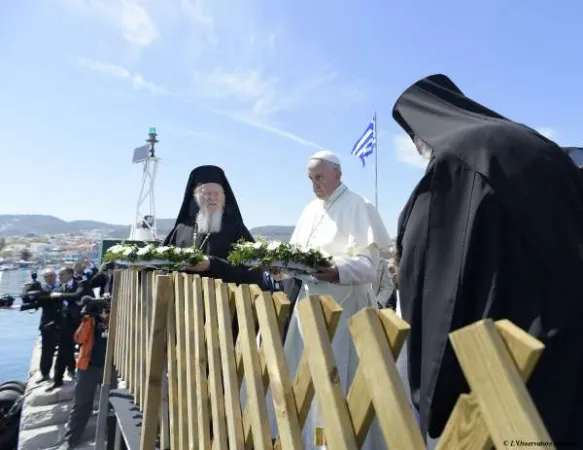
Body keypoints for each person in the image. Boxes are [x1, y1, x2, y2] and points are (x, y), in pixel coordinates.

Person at [392, 74, 583, 445]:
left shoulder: (457, 160)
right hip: (567, 346)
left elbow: (434, 277)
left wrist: (431, 396)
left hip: (504, 366)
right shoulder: (534, 144)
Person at [267, 150, 390, 449]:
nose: (314, 184)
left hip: (346, 310)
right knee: (305, 381)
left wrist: (334, 271)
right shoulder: (309, 210)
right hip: (308, 309)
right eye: (310, 179)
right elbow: (296, 260)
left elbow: (368, 267)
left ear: (338, 174)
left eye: (319, 177)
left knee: (343, 388)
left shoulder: (359, 206)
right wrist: (280, 269)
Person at [163, 165, 265, 287]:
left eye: (217, 193)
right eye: (206, 193)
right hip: (183, 300)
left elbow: (253, 270)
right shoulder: (182, 228)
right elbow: (158, 261)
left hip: (225, 301)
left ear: (224, 197)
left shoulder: (235, 227)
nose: (212, 198)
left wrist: (212, 264)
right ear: (195, 197)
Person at [57, 297, 113, 450]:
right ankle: (71, 440)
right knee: (81, 405)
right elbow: (79, 338)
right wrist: (88, 317)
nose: (104, 310)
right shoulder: (91, 320)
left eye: (107, 306)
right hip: (88, 367)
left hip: (109, 368)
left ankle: (112, 439)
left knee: (112, 404)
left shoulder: (116, 319)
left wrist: (110, 317)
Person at [47, 267, 87, 391]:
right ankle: (58, 379)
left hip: (79, 324)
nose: (60, 277)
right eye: (59, 275)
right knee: (63, 352)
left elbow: (76, 296)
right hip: (65, 324)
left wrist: (59, 295)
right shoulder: (60, 287)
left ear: (70, 274)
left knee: (81, 351)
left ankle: (82, 377)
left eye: (62, 274)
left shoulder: (80, 284)